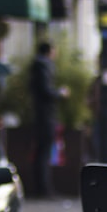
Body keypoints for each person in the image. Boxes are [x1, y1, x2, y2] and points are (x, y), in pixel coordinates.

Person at [28, 41, 68, 197]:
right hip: (45, 115)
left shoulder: (38, 66)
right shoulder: (43, 67)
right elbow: (46, 91)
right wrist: (60, 94)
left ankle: (42, 187)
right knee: (44, 151)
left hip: (41, 114)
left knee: (41, 151)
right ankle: (43, 188)